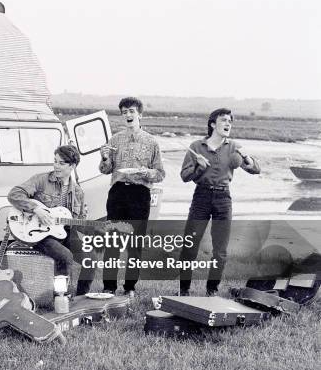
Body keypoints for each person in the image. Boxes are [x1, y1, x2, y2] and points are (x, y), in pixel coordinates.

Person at [179, 108, 261, 296]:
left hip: (223, 199)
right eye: (223, 120)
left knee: (220, 251)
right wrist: (198, 167)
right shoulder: (197, 146)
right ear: (213, 124)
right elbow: (184, 176)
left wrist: (246, 156)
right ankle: (183, 291)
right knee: (190, 246)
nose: (227, 124)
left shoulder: (234, 147)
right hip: (201, 197)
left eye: (230, 121)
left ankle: (211, 291)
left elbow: (256, 170)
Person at [7, 145, 98, 295]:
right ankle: (60, 297)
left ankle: (82, 298)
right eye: (55, 161)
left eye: (61, 163)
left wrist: (95, 228)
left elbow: (78, 224)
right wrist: (36, 209)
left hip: (64, 233)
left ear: (73, 166)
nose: (56, 166)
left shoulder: (78, 192)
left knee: (91, 258)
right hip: (39, 235)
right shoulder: (41, 180)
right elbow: (14, 194)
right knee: (66, 256)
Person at [99, 97, 165, 297]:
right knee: (112, 242)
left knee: (135, 244)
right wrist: (104, 157)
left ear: (140, 114)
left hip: (140, 193)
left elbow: (160, 173)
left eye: (131, 111)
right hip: (118, 192)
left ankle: (130, 287)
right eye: (124, 112)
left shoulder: (151, 141)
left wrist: (146, 172)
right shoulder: (114, 140)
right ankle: (109, 287)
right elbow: (105, 169)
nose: (128, 115)